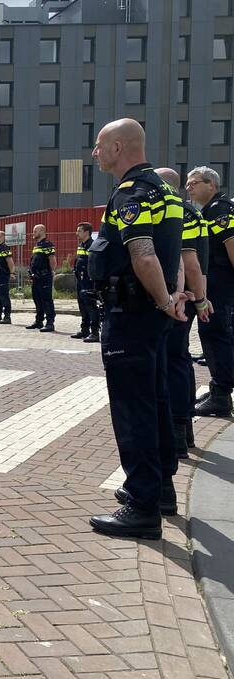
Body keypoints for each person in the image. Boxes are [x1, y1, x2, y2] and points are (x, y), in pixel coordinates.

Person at [87, 118, 185, 540]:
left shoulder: (131, 191)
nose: (94, 153)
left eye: (99, 145)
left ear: (119, 147)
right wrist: (171, 301)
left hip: (131, 313)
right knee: (157, 399)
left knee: (134, 409)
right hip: (153, 314)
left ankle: (143, 508)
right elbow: (178, 254)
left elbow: (143, 254)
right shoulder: (167, 192)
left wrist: (164, 300)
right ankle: (160, 489)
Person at [158, 167, 209, 461]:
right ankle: (185, 428)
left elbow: (187, 261)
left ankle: (176, 434)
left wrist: (188, 299)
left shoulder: (176, 212)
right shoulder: (192, 211)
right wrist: (201, 298)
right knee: (181, 360)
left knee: (172, 362)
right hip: (190, 295)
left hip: (178, 298)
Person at [188, 166, 234, 417]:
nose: (189, 187)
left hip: (220, 285)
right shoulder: (210, 209)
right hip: (216, 283)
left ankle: (221, 396)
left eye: (194, 183)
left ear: (211, 185)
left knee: (217, 336)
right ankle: (219, 387)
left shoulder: (219, 209)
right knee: (214, 336)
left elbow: (231, 245)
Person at [72, 223, 101, 342]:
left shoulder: (92, 245)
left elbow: (94, 264)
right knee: (82, 306)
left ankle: (94, 332)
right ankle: (85, 330)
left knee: (91, 306)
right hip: (80, 280)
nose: (76, 233)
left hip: (89, 281)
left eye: (79, 231)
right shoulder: (81, 245)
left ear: (86, 232)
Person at [27, 224, 57, 332]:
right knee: (37, 300)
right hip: (36, 277)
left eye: (35, 230)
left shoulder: (47, 244)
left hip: (44, 277)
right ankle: (39, 321)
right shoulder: (37, 245)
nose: (33, 232)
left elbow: (52, 260)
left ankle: (50, 323)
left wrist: (51, 272)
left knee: (46, 300)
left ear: (42, 231)